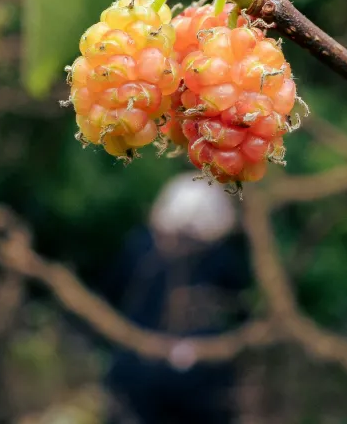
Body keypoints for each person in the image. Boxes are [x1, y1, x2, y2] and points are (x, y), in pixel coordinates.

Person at [100, 173, 252, 424]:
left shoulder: (140, 244)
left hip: (139, 368)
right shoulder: (223, 256)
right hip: (198, 377)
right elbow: (241, 312)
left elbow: (111, 294)